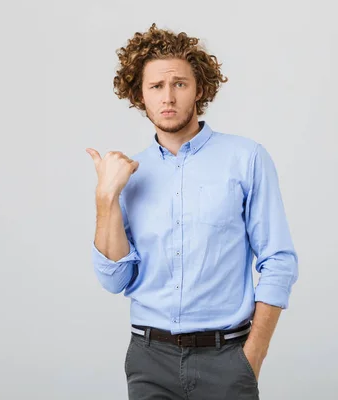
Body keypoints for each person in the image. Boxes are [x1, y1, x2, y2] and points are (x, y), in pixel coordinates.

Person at [85, 23, 299, 399]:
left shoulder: (246, 158)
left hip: (227, 359)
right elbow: (115, 279)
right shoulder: (129, 173)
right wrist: (106, 197)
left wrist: (252, 357)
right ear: (140, 95)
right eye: (156, 87)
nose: (168, 97)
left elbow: (278, 260)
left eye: (179, 84)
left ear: (200, 88)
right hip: (149, 359)